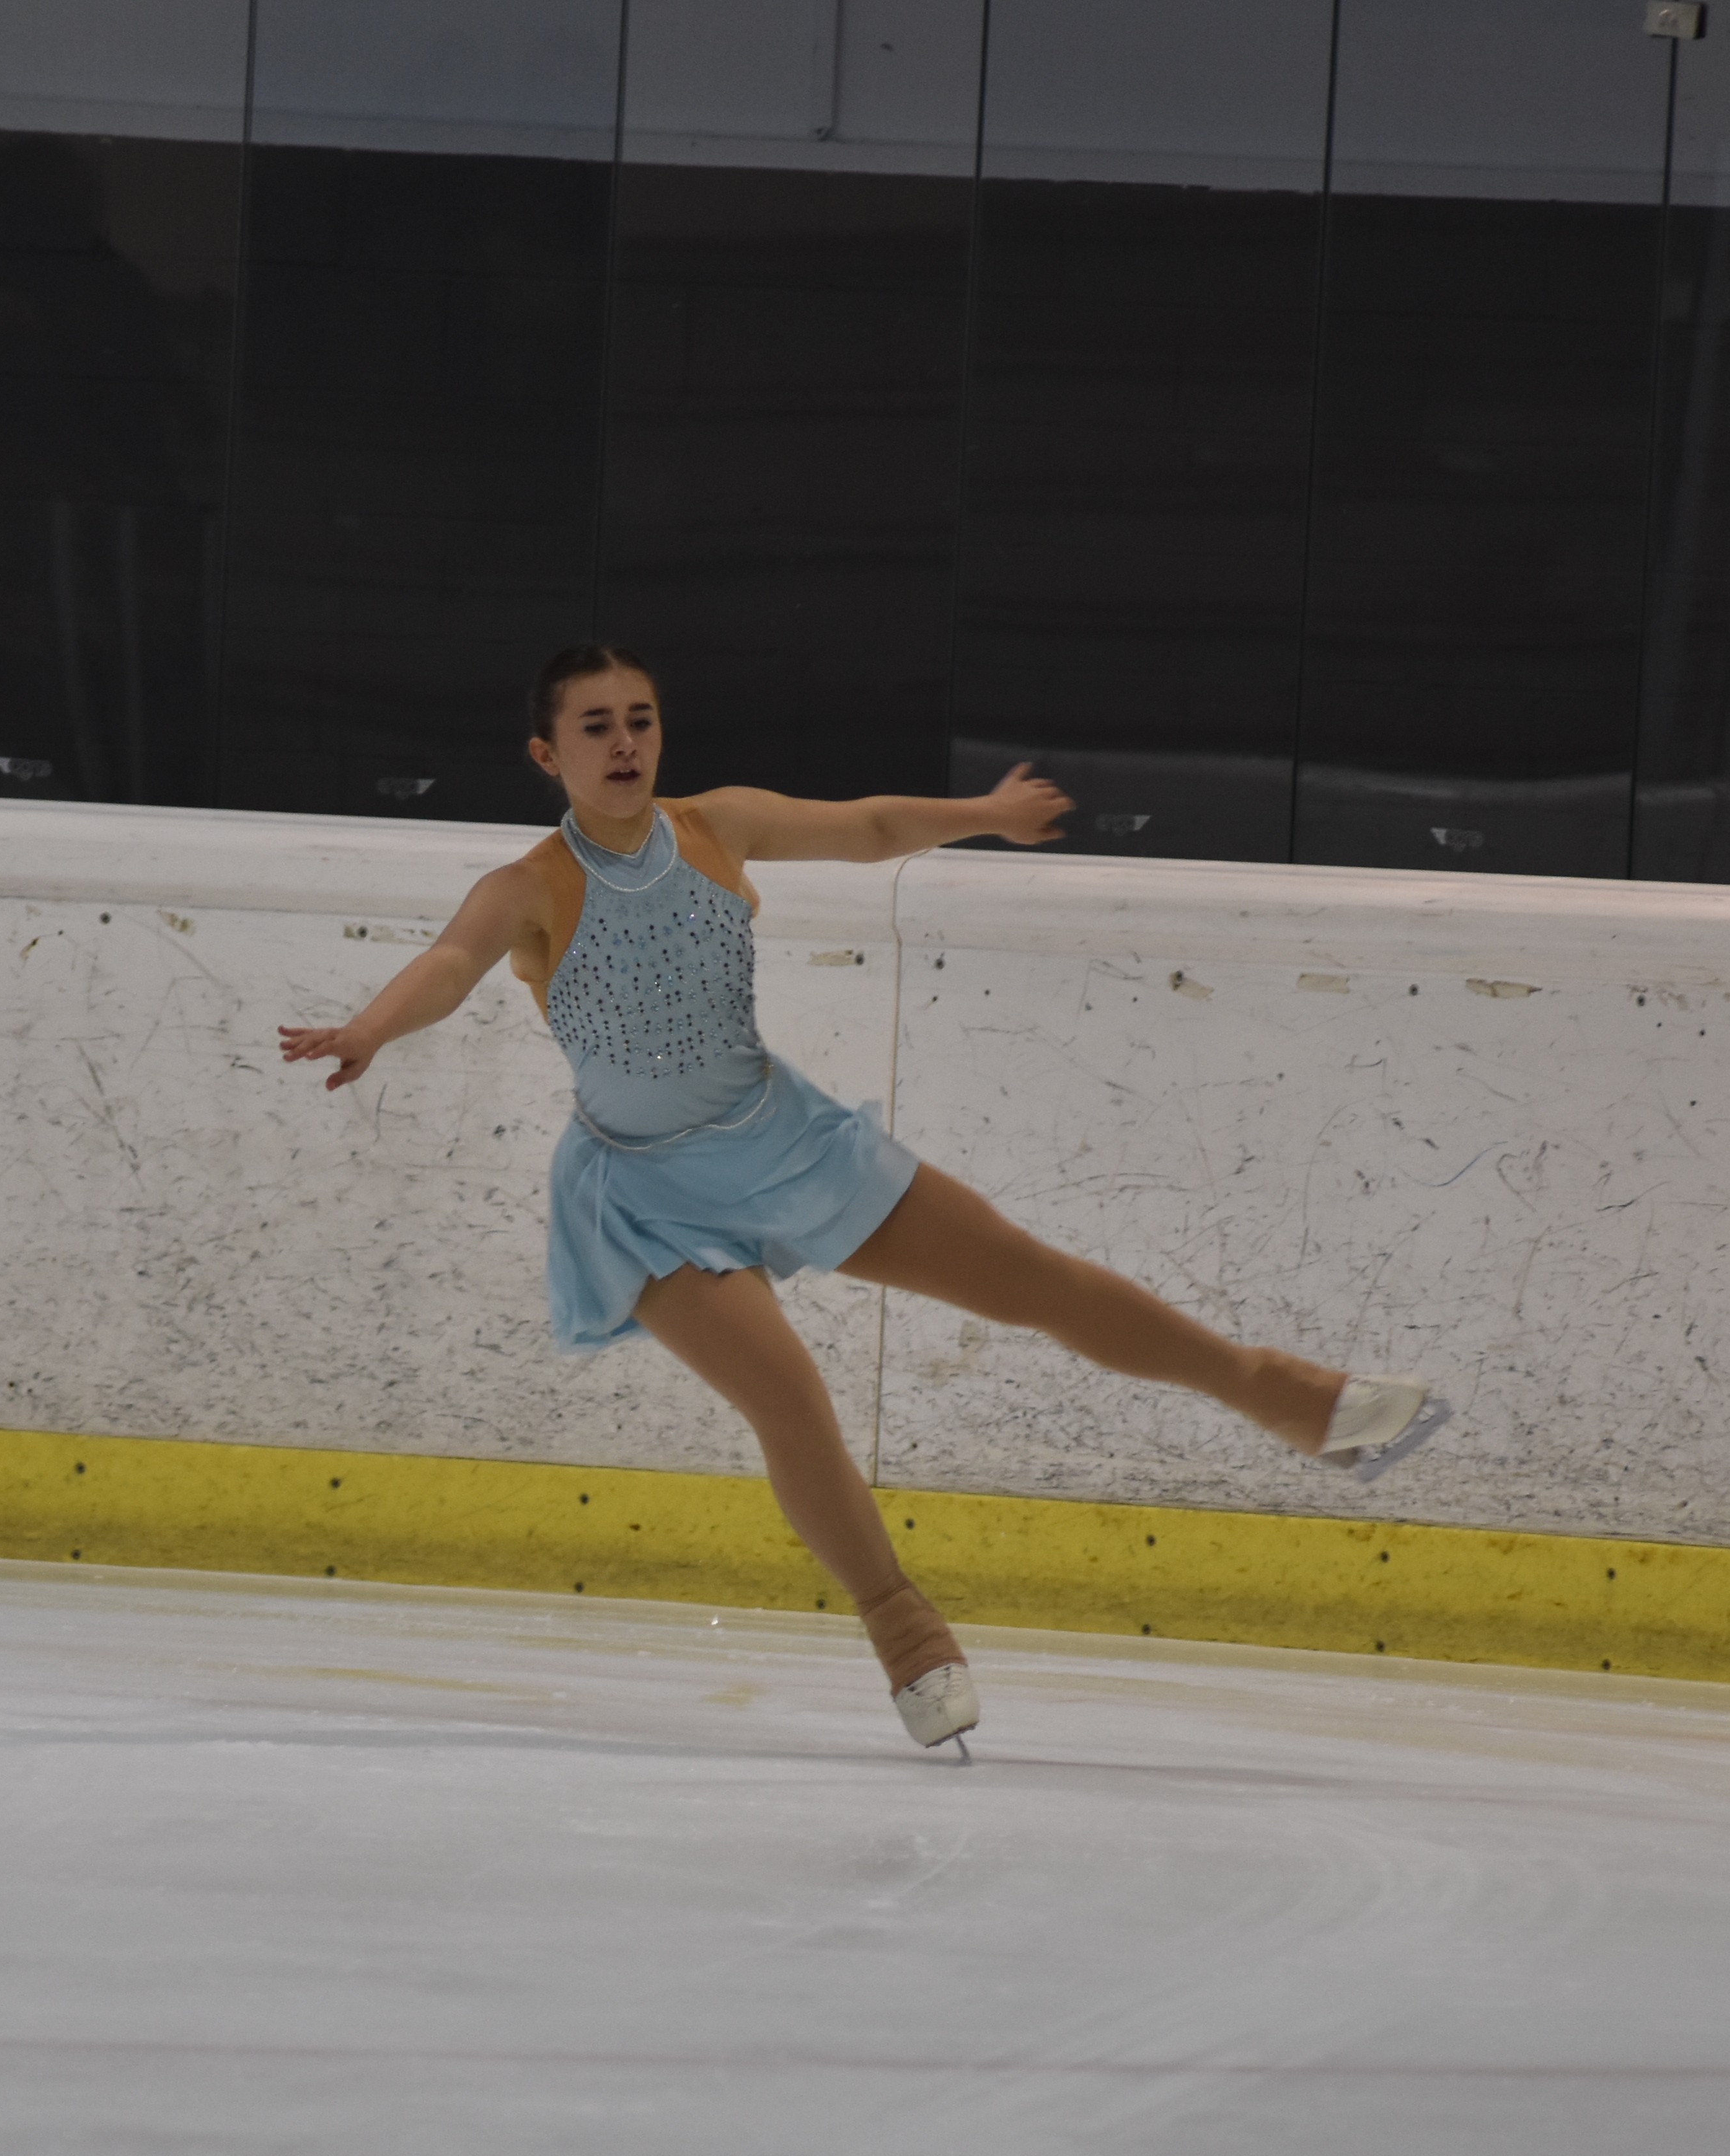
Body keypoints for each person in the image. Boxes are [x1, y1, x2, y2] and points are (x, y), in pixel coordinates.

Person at [279, 645, 1446, 1754]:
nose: (626, 742)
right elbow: (449, 963)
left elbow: (869, 828)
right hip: (641, 1197)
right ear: (548, 756)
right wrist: (371, 1029)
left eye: (640, 719)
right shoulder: (526, 888)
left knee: (1029, 1278)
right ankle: (905, 1633)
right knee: (790, 1396)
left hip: (785, 1140)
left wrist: (980, 817)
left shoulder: (717, 827)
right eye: (597, 727)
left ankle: (1287, 1396)